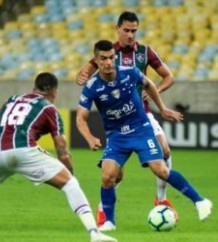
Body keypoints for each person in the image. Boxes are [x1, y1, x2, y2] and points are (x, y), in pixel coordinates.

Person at [0, 72, 117, 242]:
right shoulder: (49, 109)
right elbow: (61, 147)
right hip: (23, 151)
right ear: (54, 91)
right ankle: (94, 233)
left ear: (34, 88)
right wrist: (70, 173)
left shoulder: (11, 101)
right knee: (71, 184)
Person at [76, 40, 212, 232]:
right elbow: (80, 118)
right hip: (116, 136)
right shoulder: (92, 86)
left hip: (140, 128)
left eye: (111, 57)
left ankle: (200, 201)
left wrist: (162, 108)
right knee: (108, 176)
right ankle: (109, 221)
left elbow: (149, 84)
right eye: (103, 59)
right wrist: (89, 137)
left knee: (160, 169)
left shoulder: (129, 72)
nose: (108, 62)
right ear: (96, 61)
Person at [76, 11, 177, 226]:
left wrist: (152, 91)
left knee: (165, 151)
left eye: (134, 30)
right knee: (116, 175)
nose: (131, 35)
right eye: (126, 30)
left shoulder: (145, 52)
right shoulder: (107, 53)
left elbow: (168, 76)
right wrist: (82, 76)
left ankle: (161, 199)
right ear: (117, 29)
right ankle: (104, 208)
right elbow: (83, 74)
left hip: (142, 114)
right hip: (117, 120)